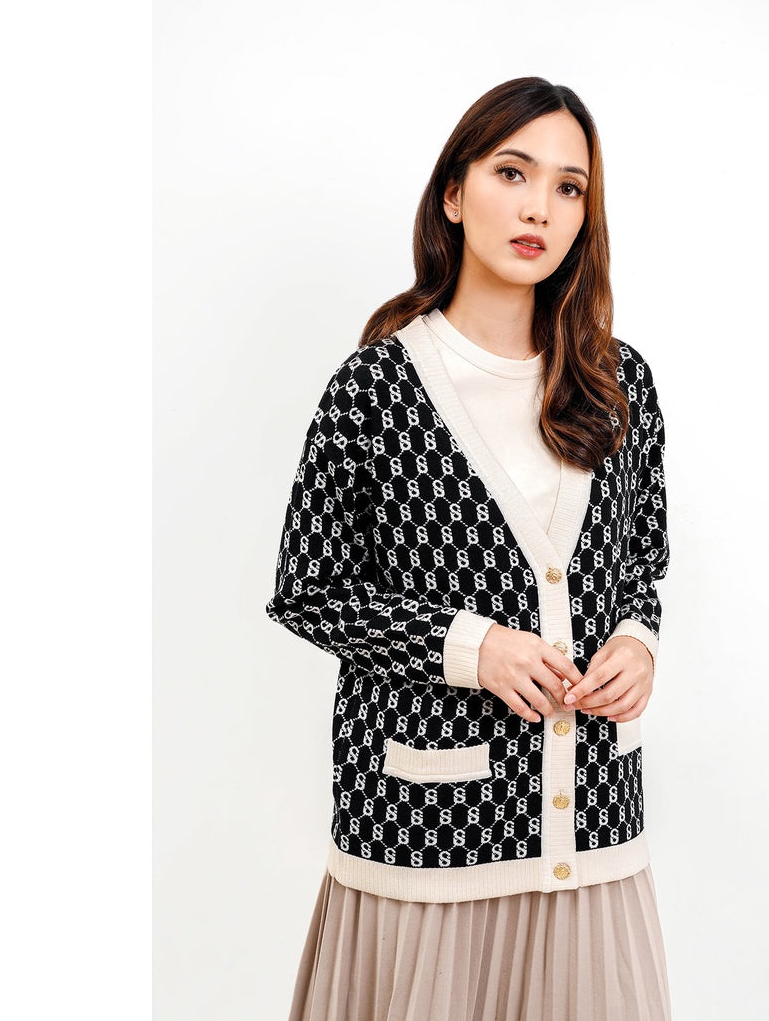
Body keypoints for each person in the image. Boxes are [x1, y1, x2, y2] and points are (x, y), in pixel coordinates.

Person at [266, 76, 673, 1021]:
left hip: (592, 832)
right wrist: (472, 648)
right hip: (425, 835)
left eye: (569, 187)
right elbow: (308, 589)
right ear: (454, 193)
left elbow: (641, 564)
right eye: (512, 173)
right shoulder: (376, 388)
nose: (540, 208)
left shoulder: (620, 383)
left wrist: (637, 642)